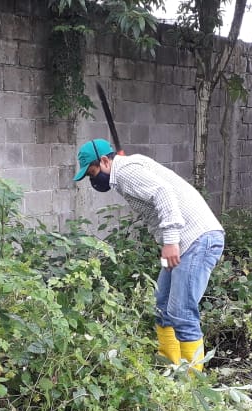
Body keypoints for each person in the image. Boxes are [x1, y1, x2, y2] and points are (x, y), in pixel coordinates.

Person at [73, 138, 225, 371]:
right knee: (161, 305)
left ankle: (192, 383)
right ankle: (169, 365)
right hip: (181, 242)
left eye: (92, 173)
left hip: (196, 240)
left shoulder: (126, 171)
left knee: (181, 311)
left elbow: (163, 192)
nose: (93, 180)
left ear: (104, 161)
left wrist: (170, 241)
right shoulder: (125, 169)